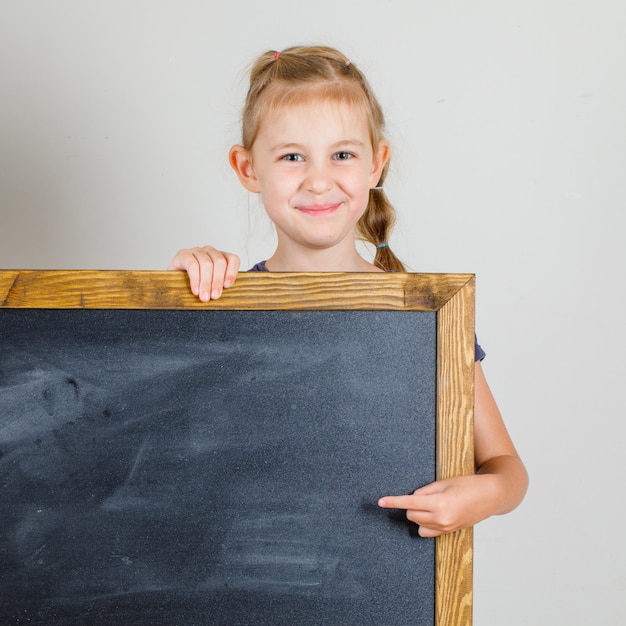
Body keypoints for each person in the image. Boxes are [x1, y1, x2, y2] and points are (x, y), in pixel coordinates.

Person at [168, 45, 528, 537]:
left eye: (342, 155)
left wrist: (486, 494)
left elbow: (506, 467)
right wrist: (170, 300)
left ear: (376, 163)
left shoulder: (428, 318)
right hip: (239, 577)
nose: (319, 181)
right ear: (248, 168)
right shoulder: (222, 300)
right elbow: (165, 451)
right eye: (292, 156)